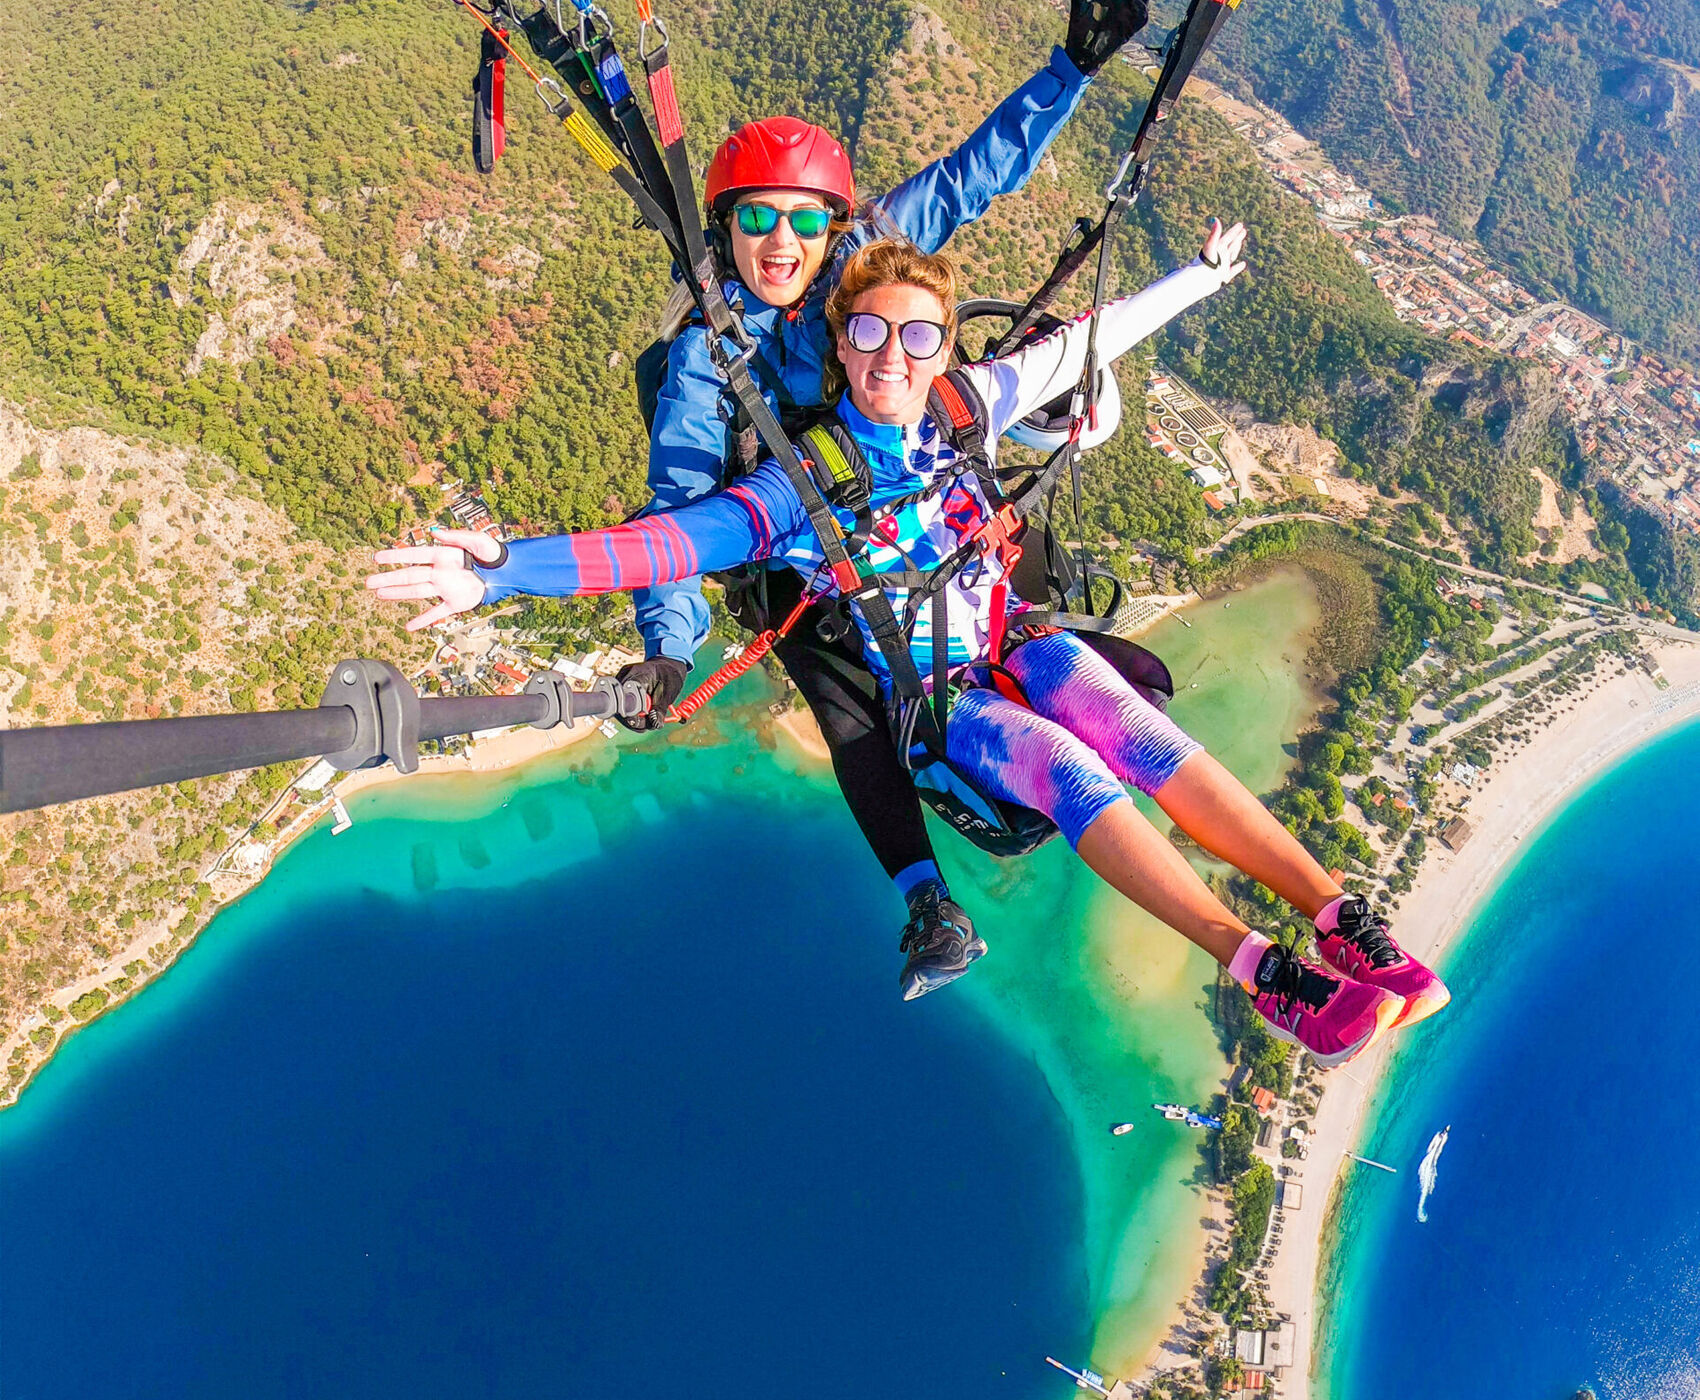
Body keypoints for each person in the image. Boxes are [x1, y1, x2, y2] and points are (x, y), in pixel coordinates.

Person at [367, 230, 1452, 1065]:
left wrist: (1198, 280)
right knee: (1071, 766)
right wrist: (503, 567)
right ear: (840, 342)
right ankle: (1262, 968)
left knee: (1128, 724)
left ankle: (1338, 916)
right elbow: (661, 543)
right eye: (871, 333)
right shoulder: (796, 487)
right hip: (938, 702)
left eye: (918, 334)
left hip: (1007, 636)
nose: (894, 354)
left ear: (939, 342)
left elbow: (1084, 341)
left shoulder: (958, 407)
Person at [617, 0, 1150, 999]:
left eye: (804, 218)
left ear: (834, 226)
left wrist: (1070, 70)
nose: (781, 241)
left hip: (916, 504)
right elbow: (676, 516)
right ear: (725, 226)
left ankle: (1074, 686)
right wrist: (665, 646)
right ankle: (927, 901)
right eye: (756, 218)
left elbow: (971, 175)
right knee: (848, 705)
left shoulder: (862, 259)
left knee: (1006, 582)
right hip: (802, 561)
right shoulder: (705, 362)